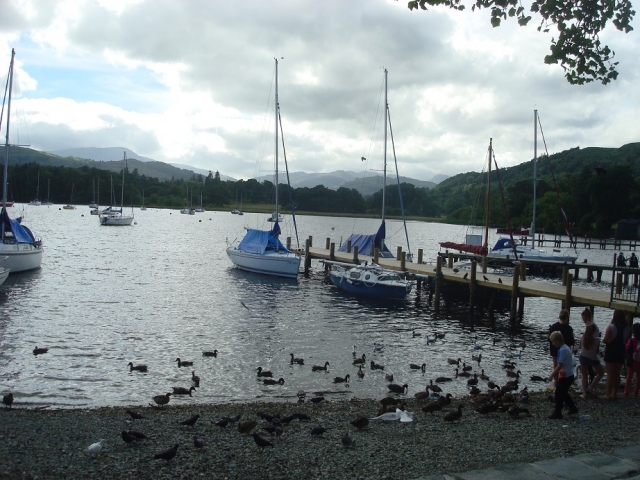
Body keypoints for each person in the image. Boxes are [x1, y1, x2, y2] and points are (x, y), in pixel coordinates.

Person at [548, 330, 578, 419]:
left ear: (557, 340)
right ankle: (573, 407)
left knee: (558, 394)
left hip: (566, 376)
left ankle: (558, 412)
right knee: (564, 393)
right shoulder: (566, 347)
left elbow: (559, 365)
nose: (553, 344)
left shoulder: (561, 350)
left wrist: (552, 375)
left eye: (553, 341)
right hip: (570, 374)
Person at [602, 309, 630, 400]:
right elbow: (626, 341)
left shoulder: (611, 327)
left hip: (611, 351)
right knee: (617, 374)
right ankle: (615, 393)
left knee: (610, 374)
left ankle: (607, 394)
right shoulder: (627, 329)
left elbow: (605, 340)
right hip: (621, 351)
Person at [623, 323, 640, 396]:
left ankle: (626, 391)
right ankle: (636, 391)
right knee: (638, 377)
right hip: (639, 360)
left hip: (631, 360)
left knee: (629, 376)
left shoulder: (632, 340)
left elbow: (627, 348)